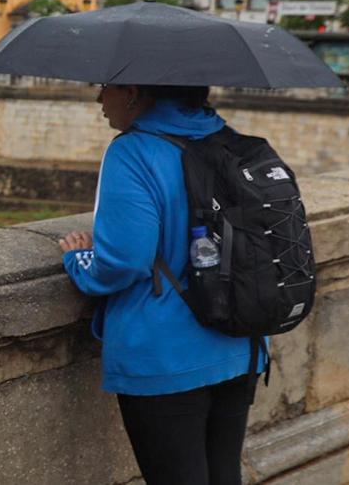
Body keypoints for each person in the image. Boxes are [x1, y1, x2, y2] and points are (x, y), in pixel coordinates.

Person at [58, 84, 265, 485]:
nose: (99, 99)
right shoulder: (232, 140)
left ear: (133, 92)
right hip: (241, 340)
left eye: (105, 87)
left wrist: (79, 259)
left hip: (166, 354)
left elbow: (124, 262)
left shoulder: (133, 152)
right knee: (224, 475)